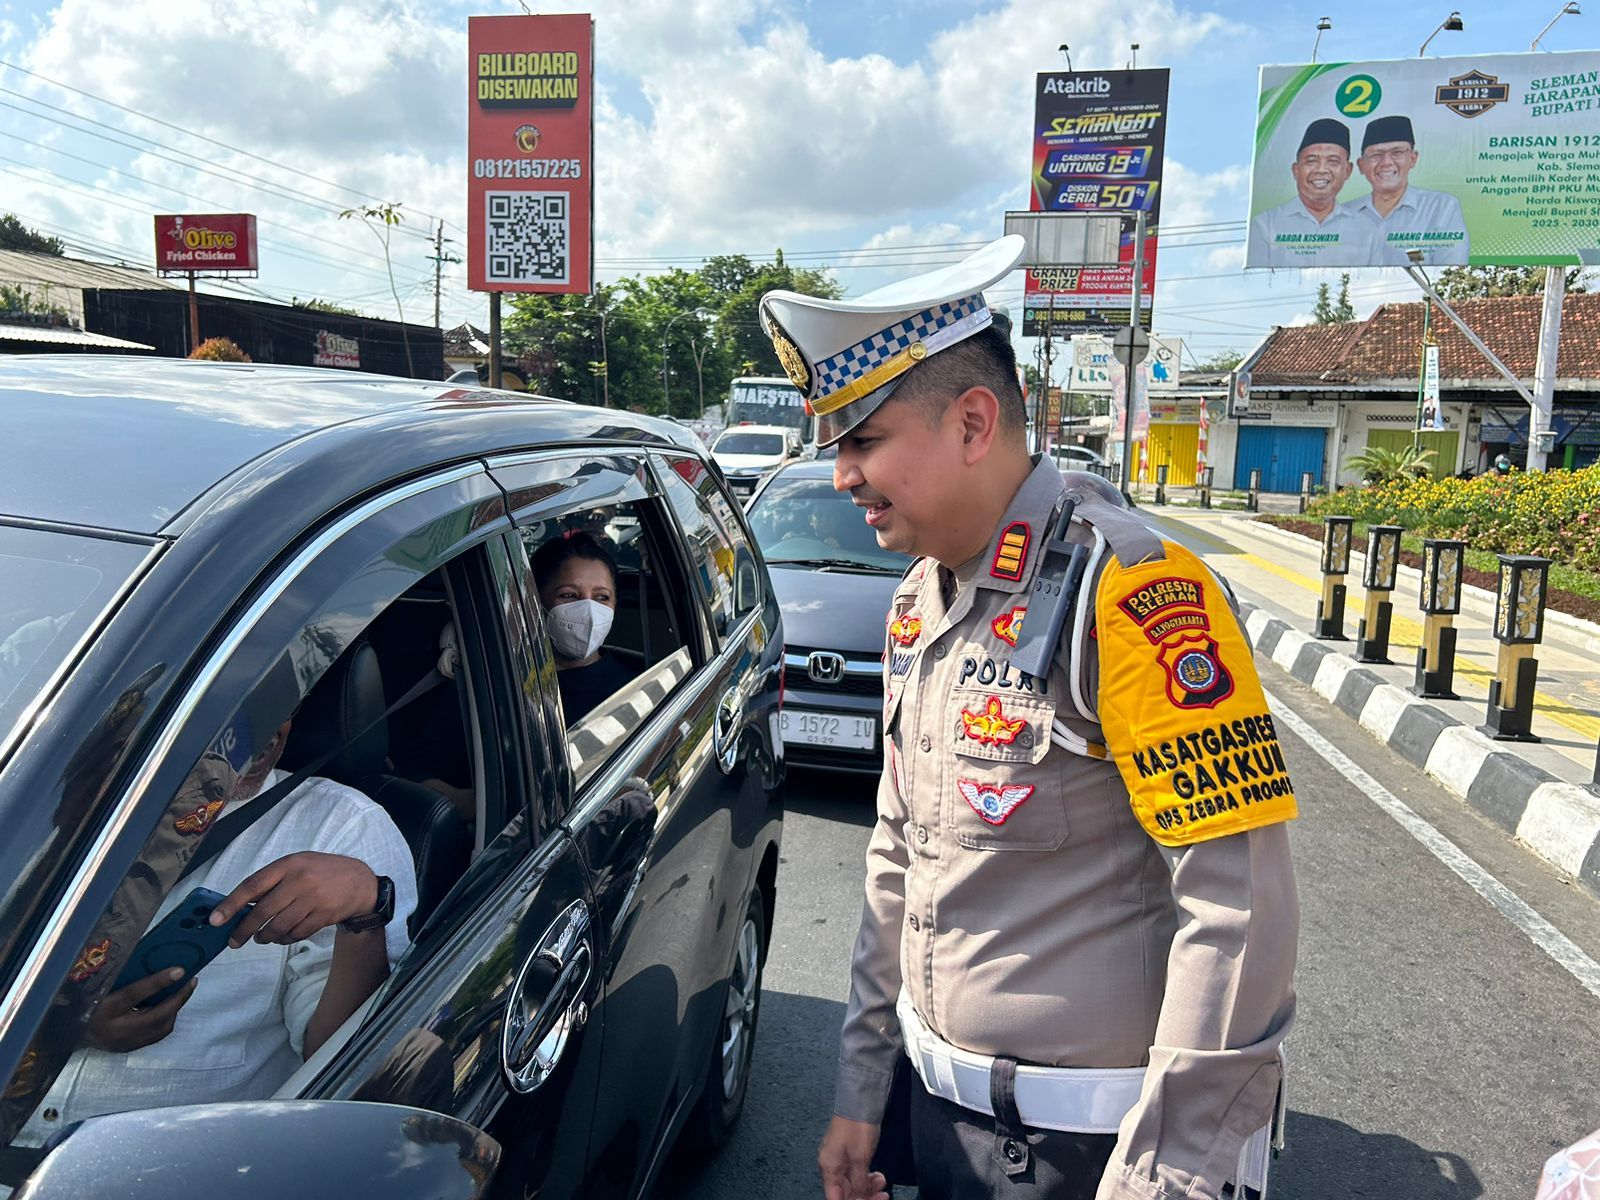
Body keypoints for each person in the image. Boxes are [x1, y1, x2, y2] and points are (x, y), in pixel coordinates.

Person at [760, 237, 1299, 1200]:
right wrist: (863, 1090)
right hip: (939, 1116)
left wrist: (1168, 1176)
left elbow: (1240, 907)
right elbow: (900, 858)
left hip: (1087, 1154)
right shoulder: (918, 603)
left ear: (972, 423)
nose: (842, 476)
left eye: (863, 440)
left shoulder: (1132, 595)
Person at [15, 672, 417, 1146]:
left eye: (268, 720)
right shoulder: (40, 805)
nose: (261, 743)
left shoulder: (339, 830)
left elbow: (339, 1062)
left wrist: (364, 913)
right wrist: (65, 1028)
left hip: (179, 1170)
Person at [1246, 118, 1383, 267]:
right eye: (1311, 161)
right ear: (1295, 170)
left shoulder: (1365, 229)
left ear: (1347, 171)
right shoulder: (1265, 225)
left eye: (1333, 161)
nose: (1321, 170)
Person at [530, 529, 634, 722]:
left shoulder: (632, 690)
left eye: (602, 597)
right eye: (568, 595)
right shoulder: (507, 672)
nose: (589, 610)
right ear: (536, 601)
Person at [1347, 115, 1469, 265]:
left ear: (1413, 158)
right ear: (1361, 165)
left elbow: (1452, 269)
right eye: (1376, 155)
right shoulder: (1344, 213)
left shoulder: (1442, 208)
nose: (1386, 163)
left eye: (1397, 153)